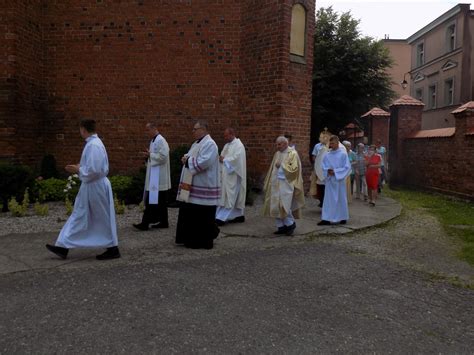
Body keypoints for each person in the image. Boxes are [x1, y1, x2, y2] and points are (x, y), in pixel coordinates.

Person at [46, 119, 120, 260]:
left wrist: (78, 169)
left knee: (101, 217)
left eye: (80, 129)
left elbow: (94, 170)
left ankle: (113, 248)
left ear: (83, 129)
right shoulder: (93, 144)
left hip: (95, 186)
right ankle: (63, 246)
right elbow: (92, 166)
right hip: (92, 186)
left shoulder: (93, 145)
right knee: (80, 215)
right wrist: (79, 166)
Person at [175, 120, 220, 249]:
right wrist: (186, 158)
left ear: (203, 129)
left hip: (204, 185)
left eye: (195, 129)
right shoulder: (196, 143)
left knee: (202, 215)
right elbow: (190, 156)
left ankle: (202, 241)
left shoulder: (210, 144)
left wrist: (188, 160)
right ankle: (189, 239)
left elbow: (205, 161)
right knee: (192, 213)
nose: (193, 131)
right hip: (192, 186)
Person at [262, 136, 305, 236]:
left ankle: (290, 224)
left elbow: (294, 169)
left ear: (285, 144)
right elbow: (272, 168)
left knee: (284, 205)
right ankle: (281, 226)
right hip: (275, 182)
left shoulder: (292, 154)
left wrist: (281, 166)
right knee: (275, 205)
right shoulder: (277, 154)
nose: (277, 146)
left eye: (279, 144)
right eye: (277, 144)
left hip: (286, 184)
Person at [133, 122, 171, 231]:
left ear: (154, 128)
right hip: (155, 176)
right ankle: (164, 221)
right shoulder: (153, 141)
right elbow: (154, 156)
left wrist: (150, 155)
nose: (147, 132)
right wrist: (148, 156)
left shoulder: (160, 140)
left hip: (159, 177)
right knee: (161, 201)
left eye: (148, 130)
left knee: (152, 200)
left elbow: (163, 157)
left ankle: (145, 223)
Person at [216, 127, 247, 226]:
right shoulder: (227, 145)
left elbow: (237, 160)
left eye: (226, 135)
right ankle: (238, 215)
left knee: (231, 196)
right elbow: (222, 156)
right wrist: (221, 159)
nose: (225, 137)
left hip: (234, 175)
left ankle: (221, 217)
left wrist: (224, 160)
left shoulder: (239, 145)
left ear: (232, 134)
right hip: (226, 175)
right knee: (230, 196)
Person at [318, 135, 351, 226]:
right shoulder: (327, 155)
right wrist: (327, 170)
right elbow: (323, 166)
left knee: (340, 199)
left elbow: (347, 167)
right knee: (328, 200)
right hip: (330, 180)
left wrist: (336, 172)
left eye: (333, 143)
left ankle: (342, 217)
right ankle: (326, 219)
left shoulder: (343, 154)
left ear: (337, 143)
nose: (331, 145)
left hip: (339, 181)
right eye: (330, 143)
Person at [313, 130, 331, 208]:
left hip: (327, 169)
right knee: (319, 186)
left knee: (326, 186)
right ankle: (321, 200)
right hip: (318, 168)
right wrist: (316, 164)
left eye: (326, 137)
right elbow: (314, 156)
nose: (324, 138)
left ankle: (326, 202)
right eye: (323, 137)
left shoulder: (330, 146)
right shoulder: (317, 146)